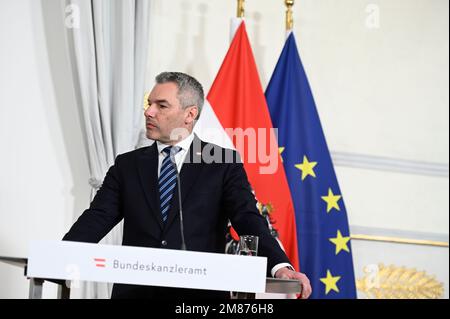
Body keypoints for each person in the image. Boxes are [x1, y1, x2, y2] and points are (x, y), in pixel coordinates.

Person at [63, 72, 312, 299]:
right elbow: (97, 218)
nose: (149, 112)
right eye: (149, 103)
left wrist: (280, 266)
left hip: (198, 298)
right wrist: (59, 258)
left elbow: (247, 218)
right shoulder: (127, 165)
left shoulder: (222, 164)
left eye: (161, 105)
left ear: (190, 114)